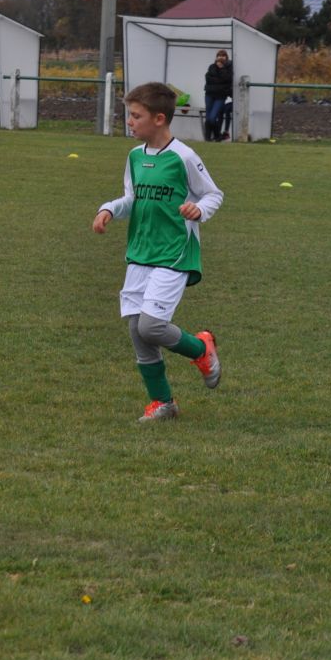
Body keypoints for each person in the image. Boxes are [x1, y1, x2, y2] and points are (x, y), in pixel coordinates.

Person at [93, 81, 224, 423]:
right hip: (140, 252)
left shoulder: (184, 156)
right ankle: (163, 403)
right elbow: (132, 198)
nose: (129, 122)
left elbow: (213, 194)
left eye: (136, 116)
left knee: (151, 327)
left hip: (174, 252)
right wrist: (109, 209)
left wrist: (199, 210)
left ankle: (201, 349)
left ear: (159, 119)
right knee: (138, 331)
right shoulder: (135, 156)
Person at [203, 49, 233, 141]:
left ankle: (217, 135)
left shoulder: (229, 68)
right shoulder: (212, 66)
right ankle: (208, 138)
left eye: (223, 55)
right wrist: (219, 81)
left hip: (220, 96)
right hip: (209, 95)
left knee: (212, 117)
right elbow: (208, 79)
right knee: (208, 118)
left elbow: (227, 79)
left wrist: (222, 69)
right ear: (216, 57)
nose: (221, 57)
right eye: (219, 55)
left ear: (226, 57)